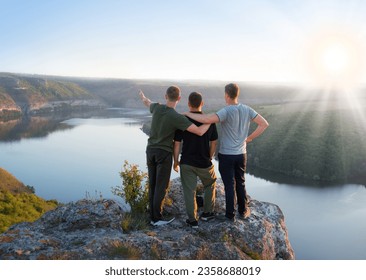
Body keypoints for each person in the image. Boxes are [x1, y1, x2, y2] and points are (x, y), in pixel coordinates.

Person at [184, 83, 269, 221]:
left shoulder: (226, 111)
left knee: (229, 185)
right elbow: (264, 123)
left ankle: (230, 215)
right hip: (241, 154)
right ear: (237, 94)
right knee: (240, 182)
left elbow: (206, 120)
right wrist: (249, 138)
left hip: (226, 155)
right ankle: (243, 210)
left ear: (226, 95)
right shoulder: (247, 109)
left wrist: (187, 114)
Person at [139, 86, 210, 226]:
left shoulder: (157, 108)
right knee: (161, 185)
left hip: (150, 150)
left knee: (152, 183)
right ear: (179, 98)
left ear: (165, 96)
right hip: (163, 153)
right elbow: (199, 131)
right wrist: (210, 121)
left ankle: (152, 214)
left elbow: (147, 102)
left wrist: (142, 96)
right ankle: (156, 218)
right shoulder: (176, 117)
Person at [173, 92, 218, 229]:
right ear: (202, 103)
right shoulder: (208, 120)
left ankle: (192, 221)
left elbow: (177, 143)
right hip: (204, 162)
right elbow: (214, 142)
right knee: (210, 183)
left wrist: (176, 161)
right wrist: (210, 156)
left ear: (188, 104)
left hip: (187, 161)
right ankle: (207, 213)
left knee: (189, 191)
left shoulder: (183, 120)